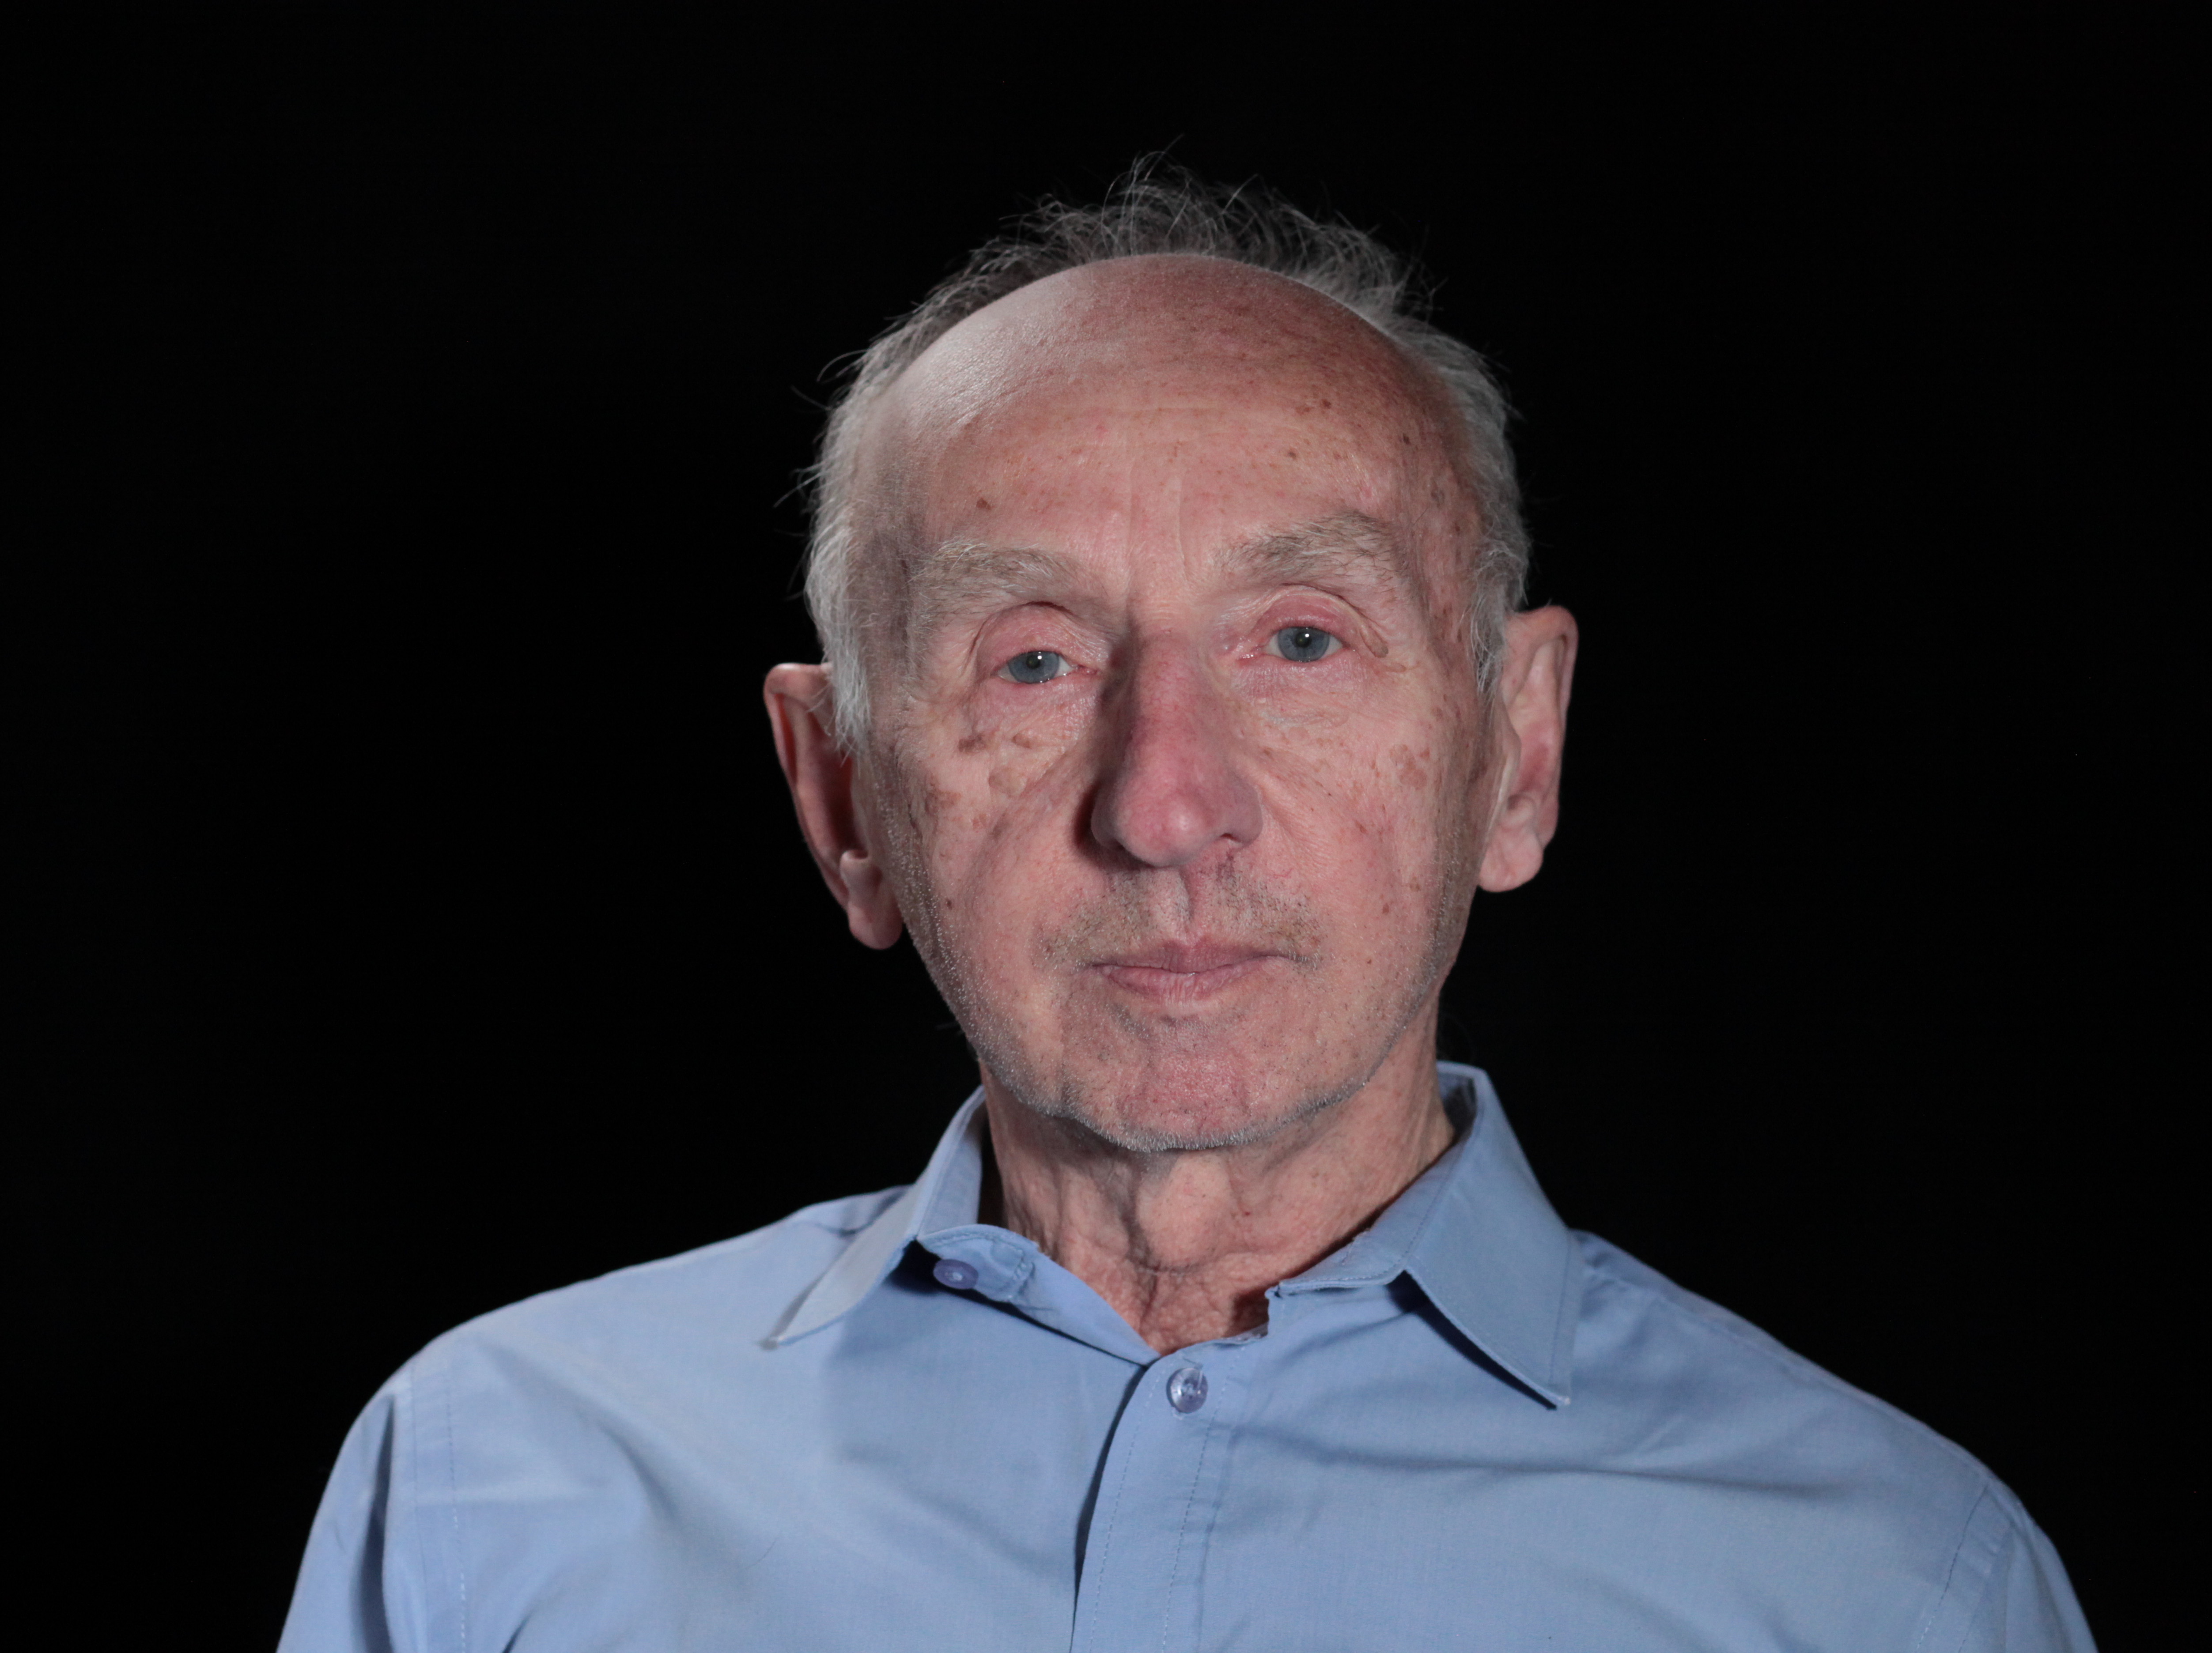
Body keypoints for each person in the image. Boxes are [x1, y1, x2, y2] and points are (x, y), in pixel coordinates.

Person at [280, 171, 2097, 1652]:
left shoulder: (1892, 1590)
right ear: (843, 802)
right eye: (1035, 659)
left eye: (1302, 640)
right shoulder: (493, 1486)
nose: (1165, 810)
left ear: (1517, 757)